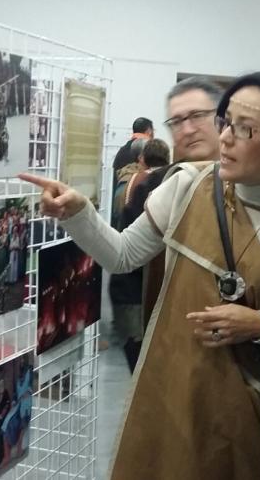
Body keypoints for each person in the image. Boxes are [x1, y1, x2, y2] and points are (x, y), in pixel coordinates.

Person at [21, 69, 260, 480]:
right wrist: (78, 214)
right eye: (227, 122)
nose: (227, 137)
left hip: (252, 407)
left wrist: (259, 324)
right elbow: (123, 255)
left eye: (246, 129)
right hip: (170, 389)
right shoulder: (189, 186)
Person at [126, 77, 224, 333]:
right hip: (168, 332)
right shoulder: (157, 185)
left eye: (197, 116)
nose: (188, 129)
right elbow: (127, 257)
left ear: (223, 118)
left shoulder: (253, 183)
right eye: (177, 121)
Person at [109, 138, 171, 371]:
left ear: (142, 160)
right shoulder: (175, 185)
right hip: (162, 289)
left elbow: (119, 230)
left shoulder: (128, 185)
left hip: (131, 287)